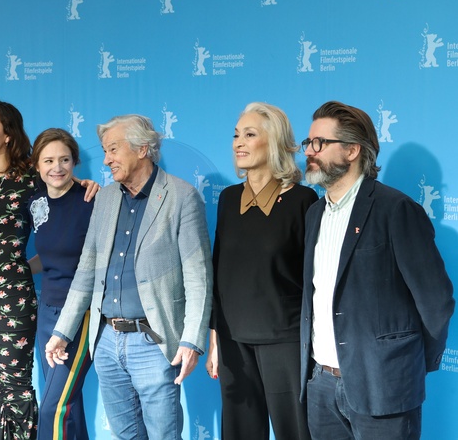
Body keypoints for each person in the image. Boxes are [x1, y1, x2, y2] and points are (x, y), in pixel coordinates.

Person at [45, 114, 213, 440]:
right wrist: (62, 332)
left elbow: (198, 277)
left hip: (154, 341)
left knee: (164, 435)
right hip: (106, 341)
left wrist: (192, 340)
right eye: (105, 151)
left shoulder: (181, 196)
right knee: (125, 435)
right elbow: (86, 271)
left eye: (113, 149)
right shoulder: (105, 198)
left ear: (142, 149)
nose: (106, 160)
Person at [299, 100, 455, 439]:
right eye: (308, 142)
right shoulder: (314, 214)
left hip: (384, 386)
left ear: (352, 150)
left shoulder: (395, 209)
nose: (308, 151)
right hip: (321, 387)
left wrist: (406, 366)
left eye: (319, 143)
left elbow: (436, 300)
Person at [0, 100, 97, 439]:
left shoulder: (30, 178)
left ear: (8, 134)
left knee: (14, 389)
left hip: (13, 298)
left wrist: (86, 184)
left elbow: (61, 185)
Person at [206, 102, 316, 440]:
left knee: (295, 432)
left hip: (285, 341)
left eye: (250, 134)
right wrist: (214, 339)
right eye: (236, 135)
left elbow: (314, 280)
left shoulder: (303, 201)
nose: (238, 143)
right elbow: (219, 272)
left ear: (275, 142)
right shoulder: (228, 199)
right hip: (232, 342)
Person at [28, 128, 94, 440]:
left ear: (74, 162)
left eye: (64, 159)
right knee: (70, 402)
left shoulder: (91, 200)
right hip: (47, 312)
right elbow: (49, 256)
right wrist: (16, 270)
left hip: (79, 314)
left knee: (54, 407)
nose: (57, 167)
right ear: (37, 165)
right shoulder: (35, 202)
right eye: (49, 160)